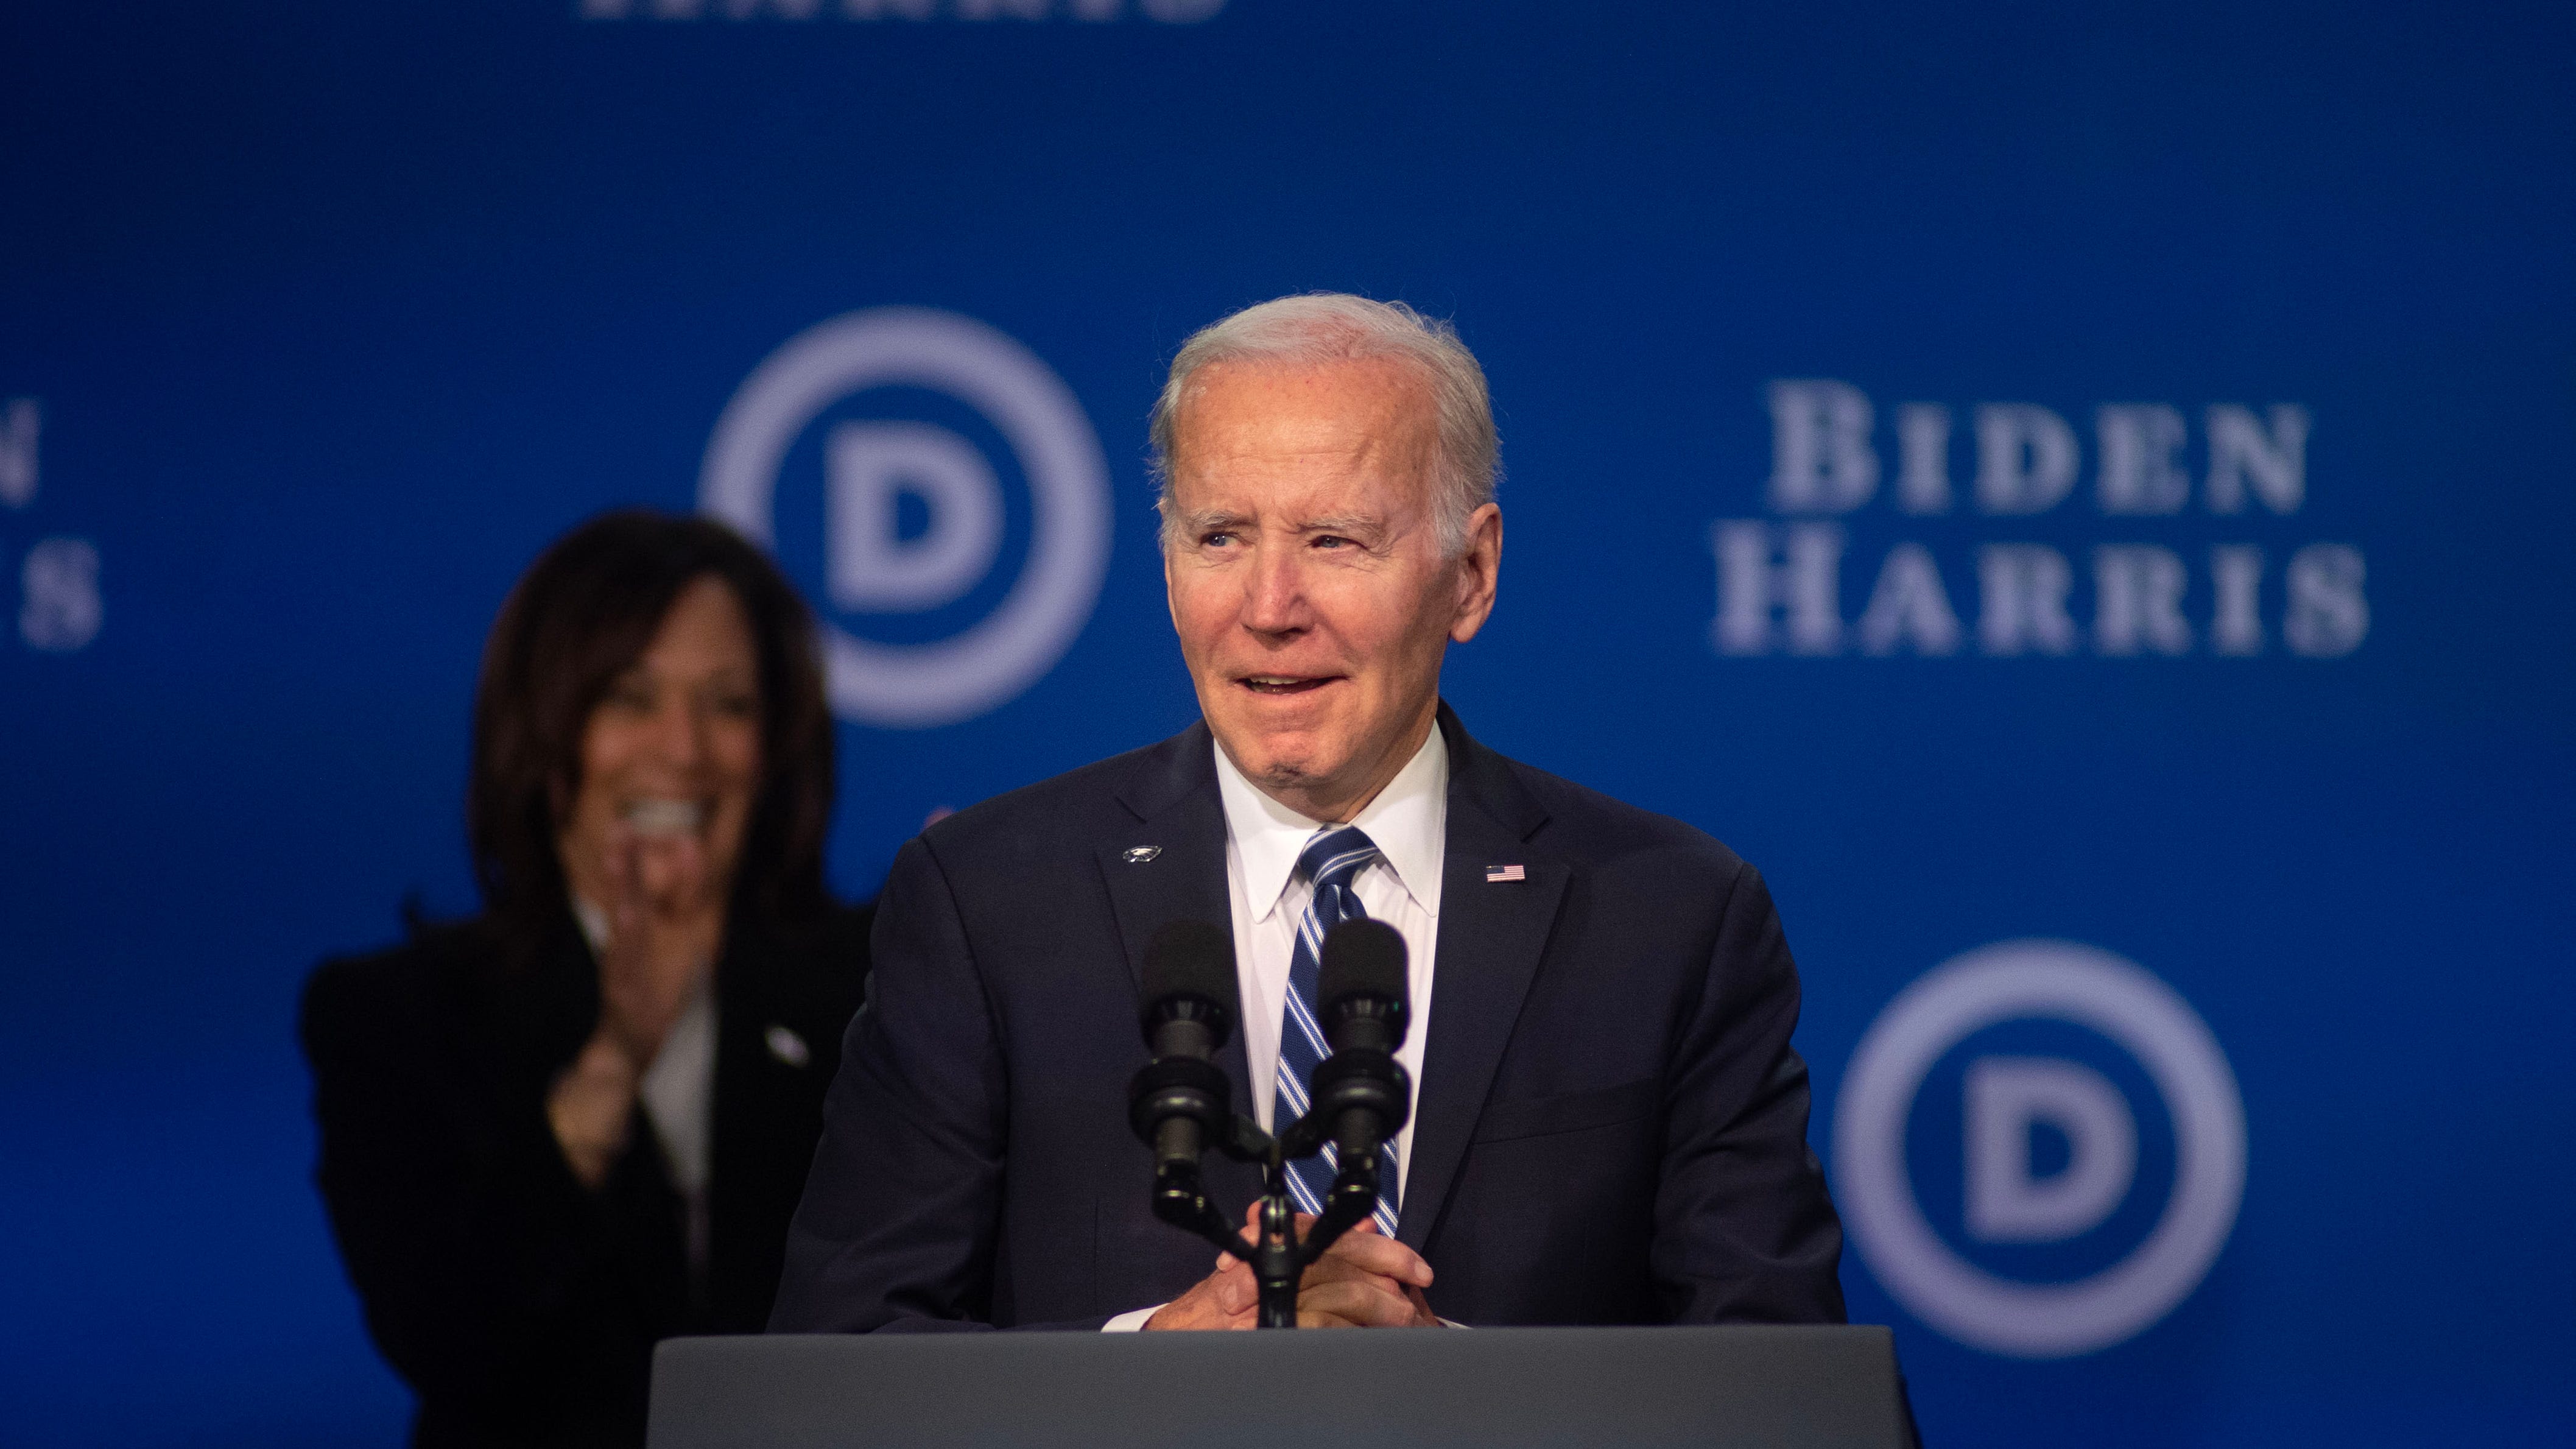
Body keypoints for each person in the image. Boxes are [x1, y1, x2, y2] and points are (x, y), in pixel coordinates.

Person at [769, 294, 1843, 1334]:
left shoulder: (1667, 918)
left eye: (1334, 541)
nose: (1269, 609)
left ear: (1470, 574)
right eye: (1221, 537)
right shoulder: (988, 900)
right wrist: (1149, 1377)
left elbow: (1780, 1385)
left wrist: (1454, 1402)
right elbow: (840, 1354)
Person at [300, 510, 870, 1446]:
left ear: (775, 749)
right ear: (545, 728)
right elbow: (448, 1343)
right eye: (629, 698)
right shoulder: (401, 1017)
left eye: (728, 706)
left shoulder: (871, 989)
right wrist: (612, 1065)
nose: (681, 751)